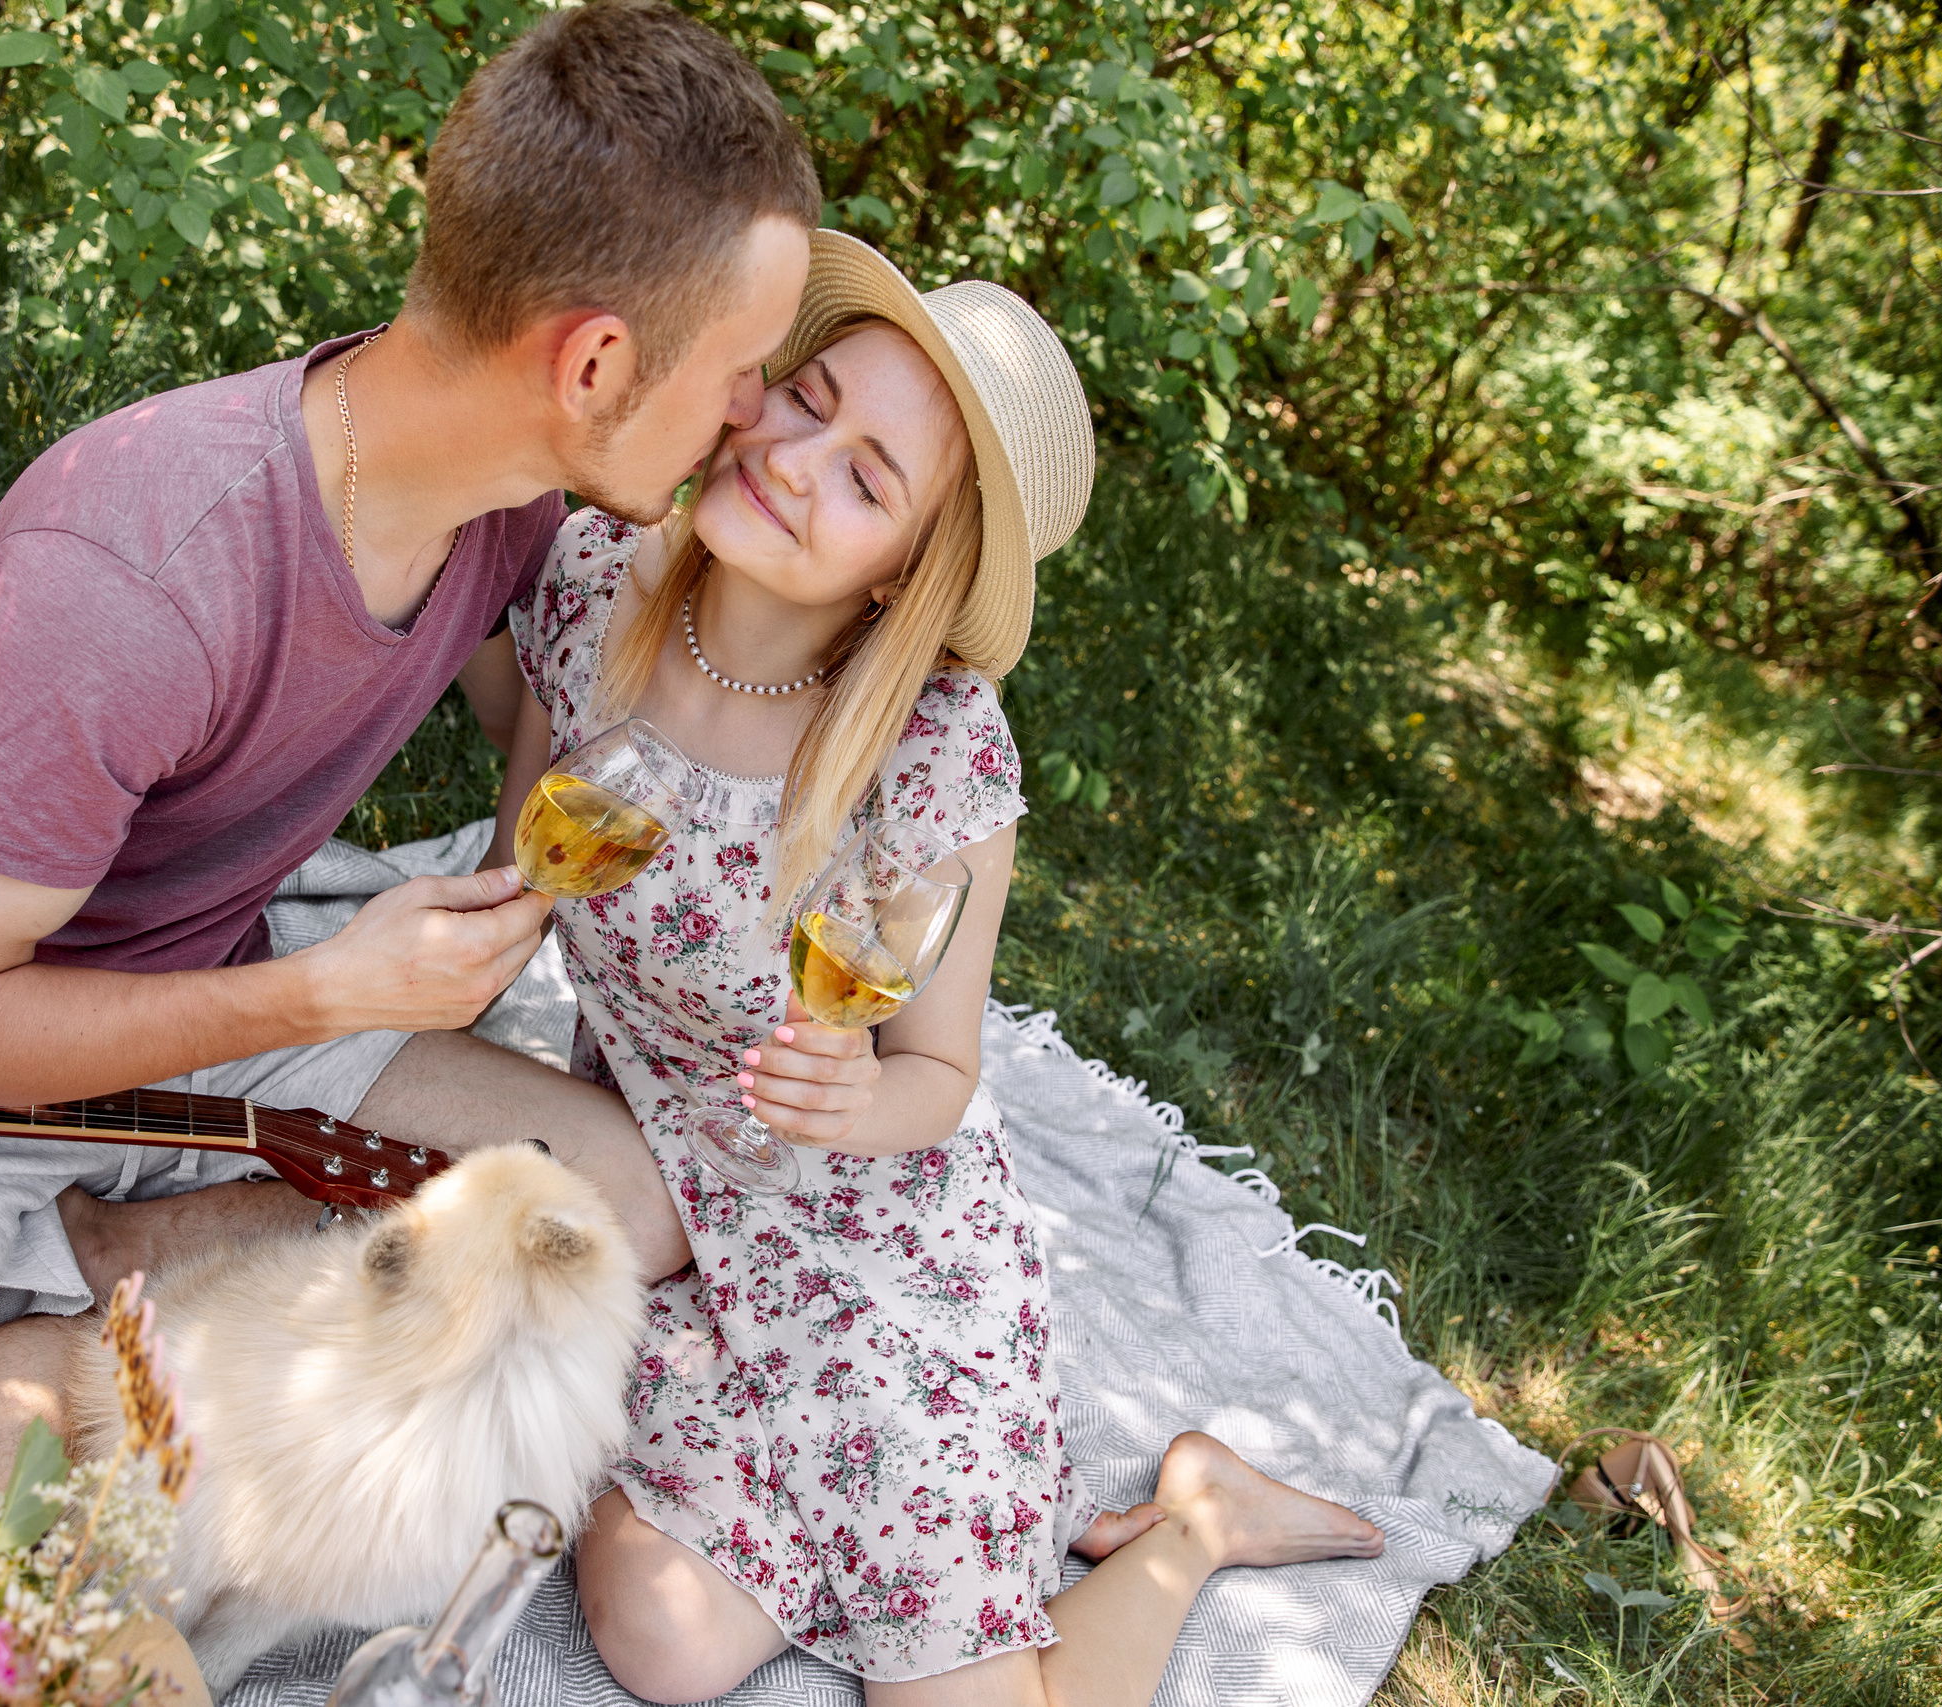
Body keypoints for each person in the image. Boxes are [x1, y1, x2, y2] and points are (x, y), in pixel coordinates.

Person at [0, 6, 821, 1701]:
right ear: (589, 365)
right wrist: (333, 981)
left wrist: (517, 880)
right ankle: (36, 1285)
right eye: (744, 362)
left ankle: (79, 1302)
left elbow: (534, 708)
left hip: (230, 1018)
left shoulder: (505, 506)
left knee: (621, 1206)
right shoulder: (139, 576)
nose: (754, 408)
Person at [485, 232, 1386, 1707]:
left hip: (873, 1246)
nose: (795, 460)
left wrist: (853, 1097)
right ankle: (845, 1532)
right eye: (809, 401)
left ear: (910, 567)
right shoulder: (592, 583)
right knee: (662, 1642)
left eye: (867, 478)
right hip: (667, 1200)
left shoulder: (936, 757)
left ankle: (1194, 1523)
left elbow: (940, 1077)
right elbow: (515, 860)